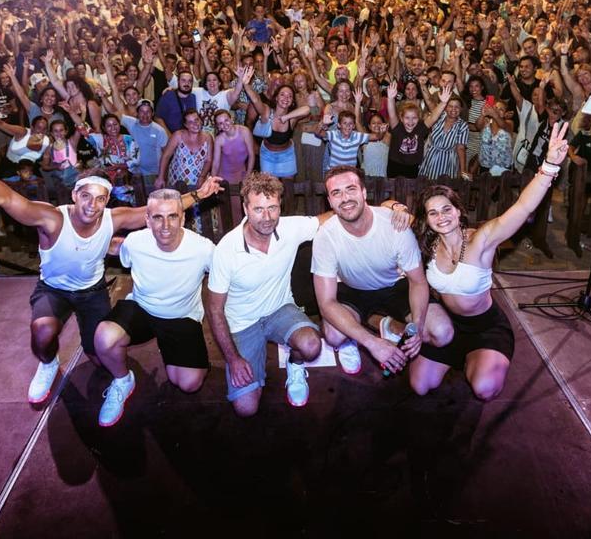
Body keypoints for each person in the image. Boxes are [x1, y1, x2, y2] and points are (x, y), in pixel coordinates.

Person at [0, 138, 221, 406]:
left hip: (92, 292)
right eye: (86, 196)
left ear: (107, 200)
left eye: (100, 199)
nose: (92, 205)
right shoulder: (52, 218)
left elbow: (159, 211)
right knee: (42, 331)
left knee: (101, 356)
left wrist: (198, 194)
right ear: (75, 195)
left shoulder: (113, 218)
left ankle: (128, 369)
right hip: (54, 290)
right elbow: (8, 200)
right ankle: (48, 364)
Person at [409, 123, 568, 398]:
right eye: (433, 213)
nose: (441, 217)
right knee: (419, 386)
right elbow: (386, 212)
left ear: (459, 211)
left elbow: (522, 208)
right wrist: (397, 208)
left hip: (485, 328)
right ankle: (462, 359)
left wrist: (549, 167)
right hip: (448, 326)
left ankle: (479, 359)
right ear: (427, 220)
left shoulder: (481, 240)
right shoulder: (428, 244)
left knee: (485, 389)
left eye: (447, 209)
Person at [311, 165, 452, 377]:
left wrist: (417, 326)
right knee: (333, 336)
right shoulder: (325, 236)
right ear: (329, 202)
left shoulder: (393, 224)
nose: (345, 198)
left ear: (364, 192)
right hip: (352, 289)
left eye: (351, 189)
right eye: (336, 193)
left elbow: (418, 281)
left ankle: (385, 323)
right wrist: (372, 344)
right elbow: (326, 303)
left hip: (394, 286)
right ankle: (368, 328)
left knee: (442, 333)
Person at [93, 189, 217, 427]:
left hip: (181, 316)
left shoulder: (203, 249)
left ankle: (179, 355)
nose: (166, 225)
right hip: (142, 309)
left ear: (182, 218)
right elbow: (121, 254)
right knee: (104, 337)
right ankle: (122, 381)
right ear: (147, 220)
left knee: (188, 384)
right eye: (157, 217)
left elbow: (227, 276)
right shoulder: (135, 242)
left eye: (172, 216)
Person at [206, 173, 325, 415]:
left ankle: (295, 364)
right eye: (259, 209)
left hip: (279, 309)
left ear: (280, 206)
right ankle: (250, 364)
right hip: (242, 323)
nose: (267, 217)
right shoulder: (226, 250)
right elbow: (214, 310)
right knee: (246, 408)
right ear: (245, 208)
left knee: (312, 345)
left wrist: (387, 208)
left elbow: (331, 218)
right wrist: (233, 359)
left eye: (273, 208)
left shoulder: (289, 227)